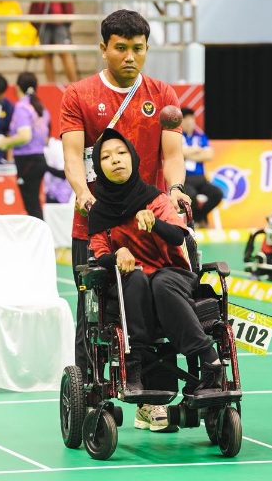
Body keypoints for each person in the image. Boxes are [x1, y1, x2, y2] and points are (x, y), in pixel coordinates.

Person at [60, 8, 190, 432]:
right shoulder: (78, 95)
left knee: (158, 307)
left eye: (138, 48)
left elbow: (172, 155)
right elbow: (72, 156)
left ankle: (153, 400)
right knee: (94, 313)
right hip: (97, 225)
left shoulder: (163, 95)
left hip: (150, 225)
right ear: (104, 49)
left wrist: (174, 191)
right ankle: (93, 398)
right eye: (121, 48)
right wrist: (82, 192)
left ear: (147, 48)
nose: (130, 56)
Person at [88, 130, 222, 430]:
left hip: (171, 274)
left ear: (133, 159)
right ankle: (134, 368)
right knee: (135, 278)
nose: (115, 160)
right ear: (99, 167)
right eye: (106, 157)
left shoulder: (154, 198)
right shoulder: (99, 211)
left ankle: (209, 361)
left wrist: (155, 224)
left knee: (160, 282)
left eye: (120, 153)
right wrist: (118, 254)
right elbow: (99, 252)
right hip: (128, 283)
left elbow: (178, 235)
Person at [0, 72, 50, 220]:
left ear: (17, 87)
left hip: (27, 162)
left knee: (32, 206)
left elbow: (25, 136)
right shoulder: (41, 108)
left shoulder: (22, 107)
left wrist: (4, 143)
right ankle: (41, 239)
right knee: (34, 205)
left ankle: (41, 240)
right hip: (39, 159)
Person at [25, 0, 79, 83]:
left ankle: (74, 85)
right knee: (47, 54)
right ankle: (51, 85)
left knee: (64, 52)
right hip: (42, 15)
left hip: (60, 17)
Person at [180, 107, 224, 227]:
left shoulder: (200, 136)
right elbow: (179, 152)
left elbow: (209, 155)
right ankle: (193, 221)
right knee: (191, 195)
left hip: (201, 178)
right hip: (185, 179)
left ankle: (198, 217)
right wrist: (197, 151)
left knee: (218, 193)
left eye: (191, 118)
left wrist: (188, 154)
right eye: (186, 119)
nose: (189, 121)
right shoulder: (177, 136)